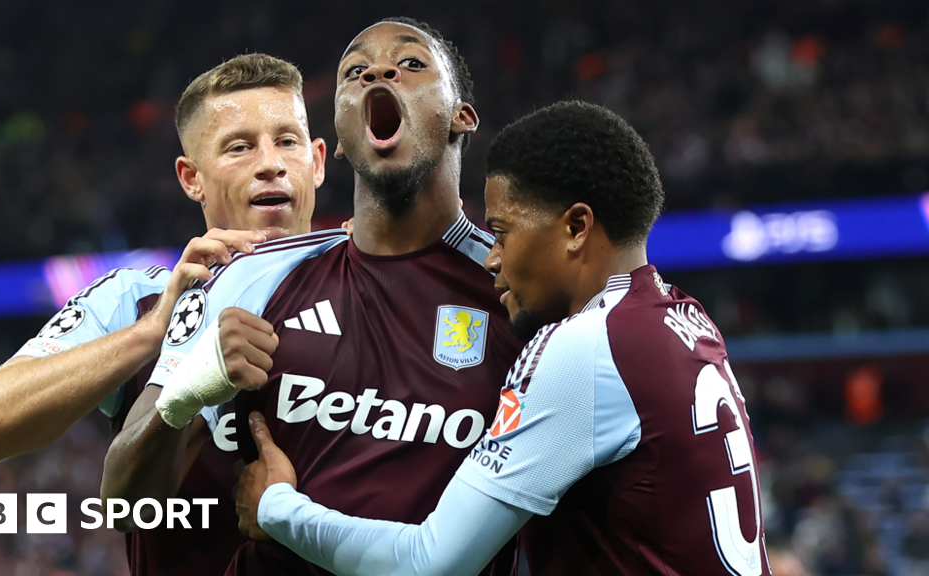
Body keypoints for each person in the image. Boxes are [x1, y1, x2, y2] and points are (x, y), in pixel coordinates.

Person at [235, 101, 772, 576]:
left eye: (503, 232)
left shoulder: (584, 347)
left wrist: (278, 507)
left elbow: (429, 563)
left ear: (576, 228)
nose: (492, 257)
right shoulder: (684, 317)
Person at [108, 17, 523, 576]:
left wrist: (283, 512)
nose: (378, 73)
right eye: (356, 71)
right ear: (339, 141)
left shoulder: (516, 289)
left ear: (461, 116)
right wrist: (187, 391)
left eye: (410, 63)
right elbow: (124, 503)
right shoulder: (251, 278)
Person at [0, 53, 326, 576]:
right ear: (191, 178)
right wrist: (157, 330)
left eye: (287, 141)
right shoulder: (136, 298)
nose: (270, 163)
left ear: (317, 161)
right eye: (240, 147)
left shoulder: (376, 288)